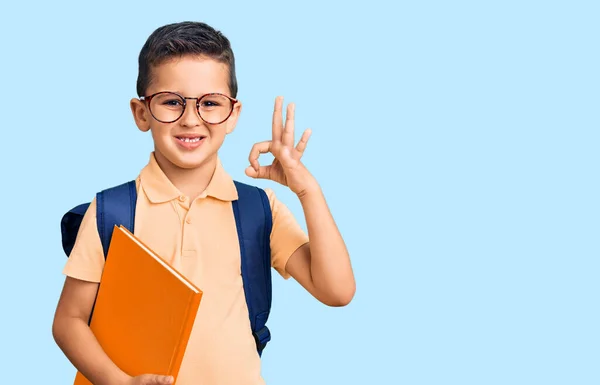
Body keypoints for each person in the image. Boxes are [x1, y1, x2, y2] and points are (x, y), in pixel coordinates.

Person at [52, 21, 355, 385]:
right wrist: (119, 381)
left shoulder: (257, 208)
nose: (191, 119)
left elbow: (337, 291)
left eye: (210, 103)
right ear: (141, 112)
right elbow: (68, 321)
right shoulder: (111, 211)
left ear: (233, 114)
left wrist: (308, 190)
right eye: (171, 102)